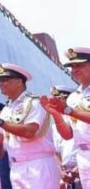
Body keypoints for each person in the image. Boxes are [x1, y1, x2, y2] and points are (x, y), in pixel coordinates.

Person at [0, 63, 59, 189]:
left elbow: (30, 131)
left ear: (19, 81)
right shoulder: (6, 110)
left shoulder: (34, 103)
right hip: (15, 168)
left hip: (38, 166)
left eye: (5, 80)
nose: (1, 83)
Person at [43, 47, 90, 188]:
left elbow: (71, 112)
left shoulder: (69, 104)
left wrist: (69, 111)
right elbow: (68, 135)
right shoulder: (73, 97)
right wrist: (57, 115)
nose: (75, 69)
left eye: (80, 65)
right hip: (83, 156)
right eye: (72, 66)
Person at [42, 85, 77, 188]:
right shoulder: (55, 126)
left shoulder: (80, 122)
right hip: (66, 175)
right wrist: (61, 170)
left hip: (83, 168)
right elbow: (55, 152)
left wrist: (78, 168)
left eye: (57, 100)